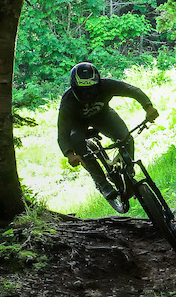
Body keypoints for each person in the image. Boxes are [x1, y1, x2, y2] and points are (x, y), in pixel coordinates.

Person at [58, 62, 159, 212]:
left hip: (104, 116)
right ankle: (102, 184)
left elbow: (132, 90)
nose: (88, 95)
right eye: (83, 91)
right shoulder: (68, 101)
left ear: (98, 84)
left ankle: (129, 171)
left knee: (126, 138)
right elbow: (62, 132)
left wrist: (148, 107)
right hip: (78, 124)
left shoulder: (106, 85)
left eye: (91, 90)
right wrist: (70, 154)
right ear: (74, 89)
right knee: (77, 142)